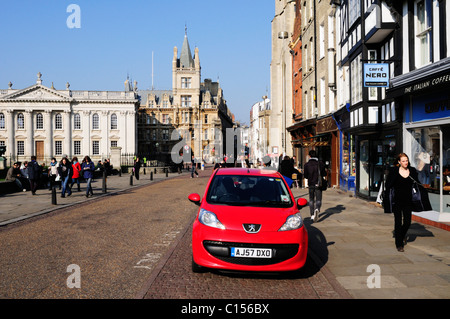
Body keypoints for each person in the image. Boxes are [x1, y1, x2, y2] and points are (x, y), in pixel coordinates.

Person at [385, 153, 419, 252]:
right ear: (399, 162)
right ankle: (399, 244)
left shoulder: (412, 170)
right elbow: (388, 185)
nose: (405, 163)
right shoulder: (394, 171)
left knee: (408, 222)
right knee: (398, 222)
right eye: (403, 161)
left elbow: (417, 183)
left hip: (408, 200)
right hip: (397, 201)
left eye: (407, 160)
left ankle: (401, 235)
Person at [303, 150, 326, 222]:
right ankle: (317, 209)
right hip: (318, 184)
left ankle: (312, 215)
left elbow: (306, 176)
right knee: (318, 199)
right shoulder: (320, 164)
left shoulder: (306, 165)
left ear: (309, 156)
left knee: (311, 199)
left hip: (311, 183)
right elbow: (324, 173)